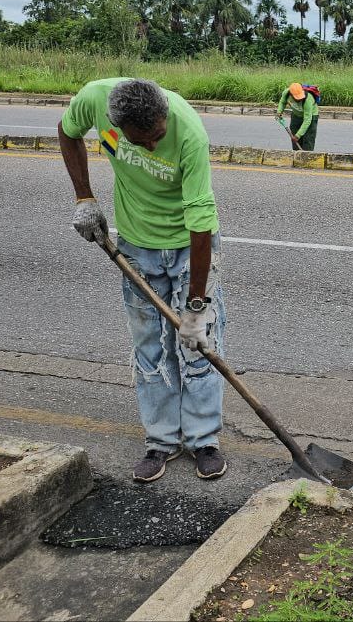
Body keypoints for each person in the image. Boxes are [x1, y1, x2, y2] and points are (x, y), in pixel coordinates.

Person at [58, 77, 229, 484]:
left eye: (157, 137)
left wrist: (196, 306)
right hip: (136, 244)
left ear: (164, 116)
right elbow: (67, 133)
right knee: (149, 345)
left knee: (197, 343)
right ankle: (161, 440)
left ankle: (204, 439)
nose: (153, 146)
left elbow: (201, 224)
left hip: (191, 246)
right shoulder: (94, 99)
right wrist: (85, 197)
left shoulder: (188, 131)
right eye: (142, 142)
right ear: (116, 125)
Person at [276, 82, 319, 151]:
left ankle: (307, 157)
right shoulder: (286, 93)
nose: (299, 99)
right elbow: (282, 102)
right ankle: (296, 155)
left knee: (308, 139)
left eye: (300, 97)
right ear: (291, 94)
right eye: (297, 97)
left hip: (311, 116)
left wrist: (298, 135)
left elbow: (307, 120)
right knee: (295, 139)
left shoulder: (308, 99)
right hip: (296, 115)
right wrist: (279, 112)